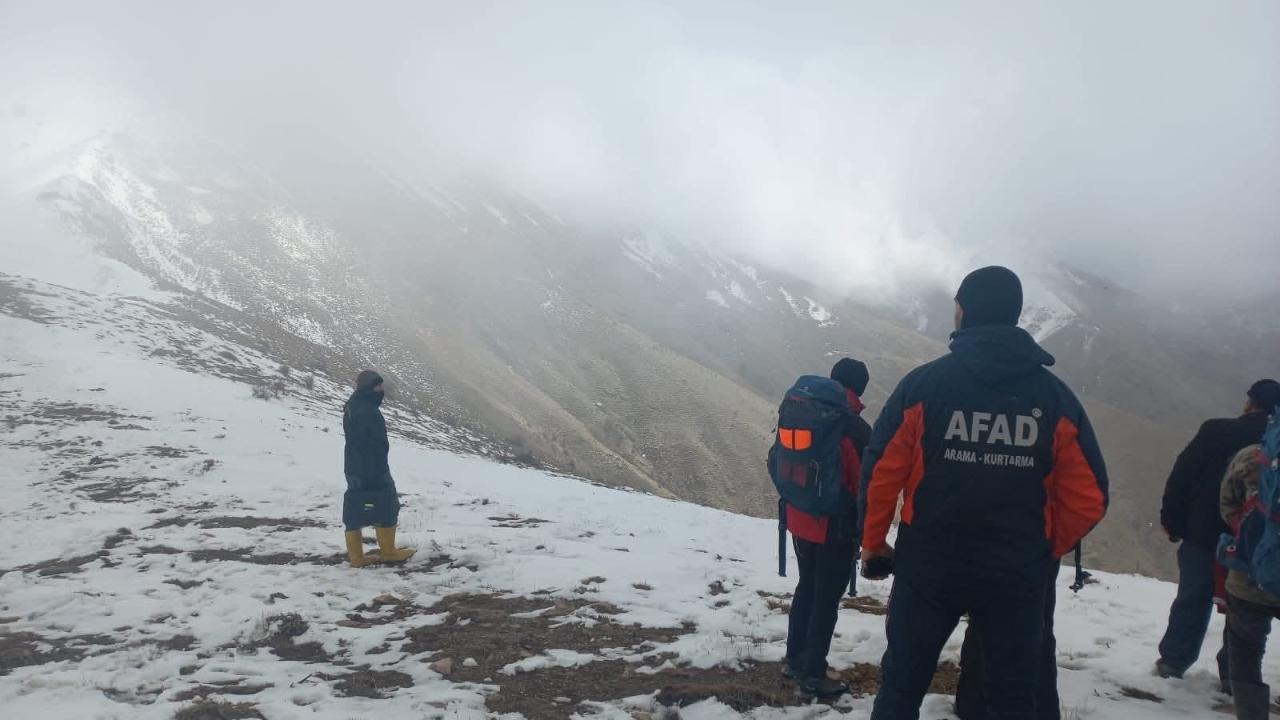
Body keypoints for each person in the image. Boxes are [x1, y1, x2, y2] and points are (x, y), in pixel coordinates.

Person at [860, 266, 1109, 720]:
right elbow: (1090, 496)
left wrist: (874, 543)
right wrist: (1042, 547)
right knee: (1014, 698)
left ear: (961, 311)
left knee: (900, 686)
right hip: (1016, 573)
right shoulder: (1055, 400)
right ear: (1016, 316)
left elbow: (881, 475)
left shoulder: (923, 387)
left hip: (928, 565)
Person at [1156, 379, 1280, 682]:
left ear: (1250, 402)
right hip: (1255, 543)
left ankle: (1173, 662)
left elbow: (1182, 476)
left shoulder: (1216, 430)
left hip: (1203, 534)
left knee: (1192, 598)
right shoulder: (1272, 442)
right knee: (1244, 609)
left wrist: (1171, 521)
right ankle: (1234, 677)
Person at [782, 358, 873, 699]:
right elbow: (864, 484)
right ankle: (813, 674)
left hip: (799, 515)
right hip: (834, 525)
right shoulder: (853, 427)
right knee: (826, 599)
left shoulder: (803, 408)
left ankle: (794, 659)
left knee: (807, 585)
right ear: (861, 389)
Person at [1220, 438, 1278, 719]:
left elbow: (1227, 502)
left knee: (1245, 653)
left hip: (1249, 577)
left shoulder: (1253, 455)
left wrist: (1253, 542)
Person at [342, 370, 415, 566]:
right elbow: (373, 443)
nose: (381, 389)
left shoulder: (352, 405)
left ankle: (356, 557)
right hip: (372, 467)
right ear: (368, 387)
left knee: (354, 505)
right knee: (388, 502)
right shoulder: (368, 411)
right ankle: (389, 552)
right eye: (377, 385)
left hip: (352, 466)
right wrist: (377, 464)